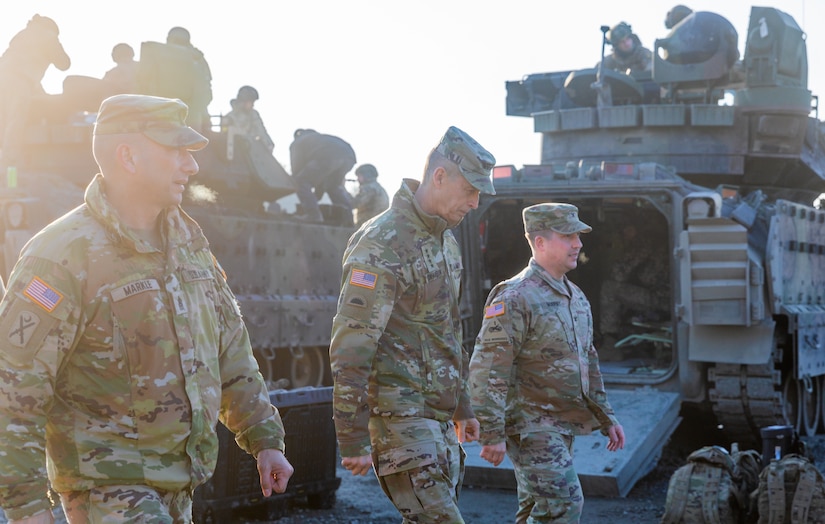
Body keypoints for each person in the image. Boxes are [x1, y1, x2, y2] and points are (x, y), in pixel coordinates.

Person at [0, 94, 293, 523]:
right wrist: (26, 509)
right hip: (107, 490)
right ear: (129, 157)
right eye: (176, 151)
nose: (190, 166)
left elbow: (231, 351)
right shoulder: (62, 255)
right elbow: (14, 391)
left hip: (179, 486)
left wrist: (264, 438)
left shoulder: (190, 246)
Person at [329, 126, 496, 523]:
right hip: (400, 423)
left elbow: (448, 332)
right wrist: (351, 436)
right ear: (439, 177)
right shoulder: (382, 242)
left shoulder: (445, 242)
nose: (475, 202)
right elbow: (352, 344)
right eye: (470, 190)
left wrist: (462, 406)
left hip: (436, 425)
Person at [469, 203, 626, 523]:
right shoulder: (514, 297)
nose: (578, 244)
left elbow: (589, 360)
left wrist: (605, 416)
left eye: (578, 236)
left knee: (536, 508)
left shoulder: (576, 297)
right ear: (539, 242)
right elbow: (488, 368)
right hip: (529, 424)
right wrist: (491, 432)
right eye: (568, 236)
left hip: (561, 423)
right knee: (564, 505)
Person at [0, 14, 71, 173]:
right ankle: (9, 169)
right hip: (19, 83)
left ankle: (5, 164)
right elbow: (64, 64)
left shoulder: (22, 35)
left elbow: (17, 64)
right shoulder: (48, 35)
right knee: (15, 122)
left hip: (3, 78)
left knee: (2, 123)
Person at [289, 128, 356, 224]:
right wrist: (315, 196)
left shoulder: (298, 142)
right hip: (349, 157)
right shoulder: (321, 139)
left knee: (299, 181)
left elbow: (296, 170)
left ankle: (313, 215)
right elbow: (321, 182)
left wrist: (306, 194)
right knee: (332, 187)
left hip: (327, 157)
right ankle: (348, 220)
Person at [222, 85, 275, 155]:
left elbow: (261, 130)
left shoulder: (253, 114)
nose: (253, 105)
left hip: (251, 153)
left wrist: (269, 144)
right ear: (243, 101)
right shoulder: (229, 118)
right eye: (251, 102)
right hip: (234, 155)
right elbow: (224, 138)